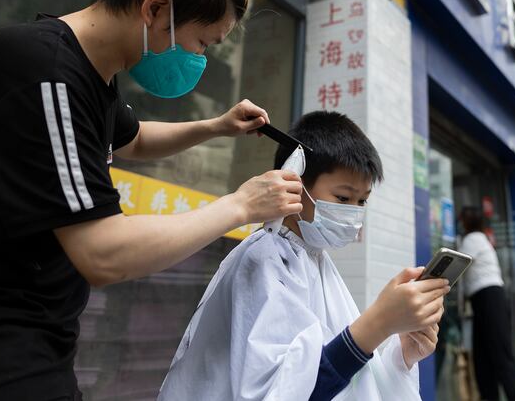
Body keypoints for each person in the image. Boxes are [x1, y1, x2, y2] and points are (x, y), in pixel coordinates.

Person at [0, 0, 304, 401]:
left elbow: (131, 140)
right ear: (156, 9)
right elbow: (102, 253)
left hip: (34, 337)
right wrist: (240, 206)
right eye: (202, 43)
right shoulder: (44, 73)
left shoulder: (93, 77)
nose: (199, 59)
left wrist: (215, 126)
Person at [158, 111, 450, 400]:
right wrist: (378, 323)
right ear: (294, 183)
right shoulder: (266, 260)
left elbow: (347, 376)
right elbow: (284, 392)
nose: (354, 211)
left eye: (362, 200)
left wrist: (403, 356)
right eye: (343, 198)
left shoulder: (313, 259)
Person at [458, 207, 515, 401]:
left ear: (467, 223)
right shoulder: (482, 239)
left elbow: (459, 267)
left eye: (462, 220)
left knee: (497, 355)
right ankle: (491, 396)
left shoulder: (472, 240)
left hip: (489, 299)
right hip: (487, 300)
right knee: (484, 356)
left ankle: (513, 396)